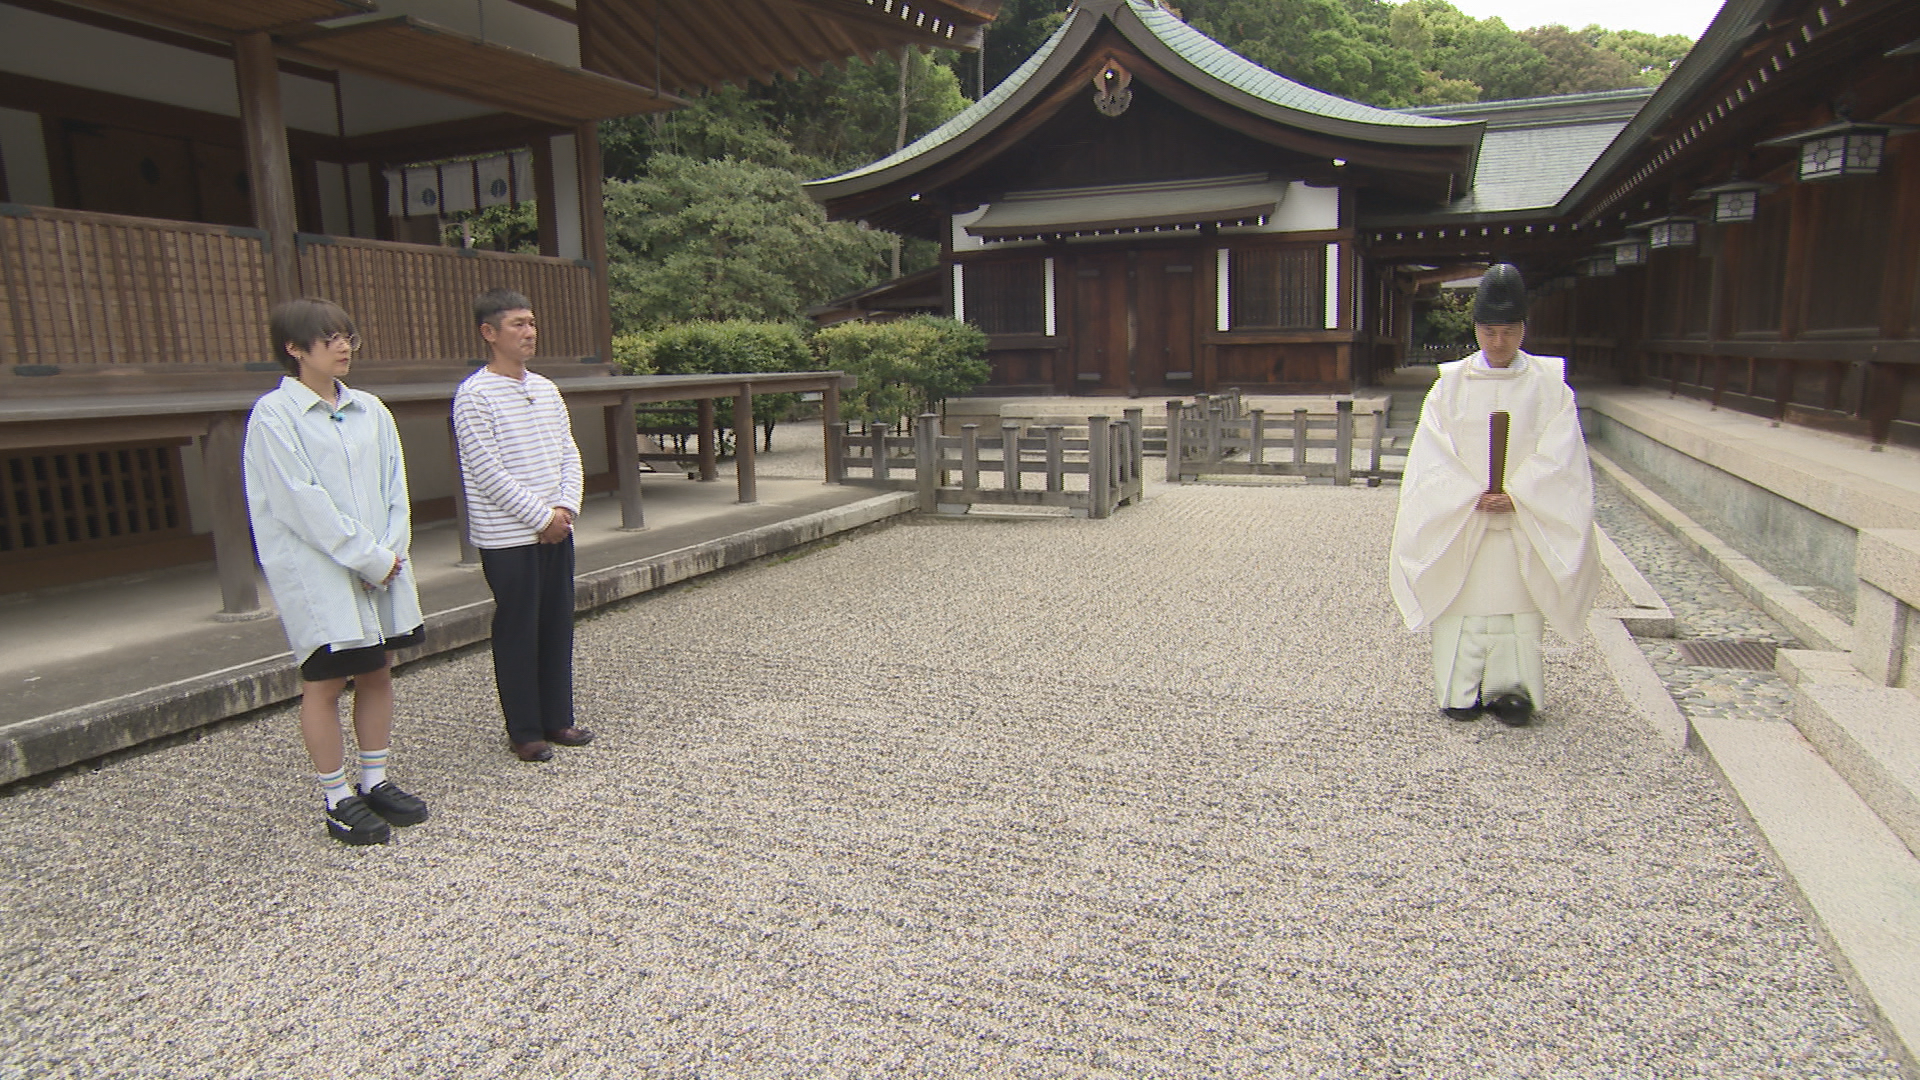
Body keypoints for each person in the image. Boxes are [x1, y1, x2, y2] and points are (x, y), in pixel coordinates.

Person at [244, 298, 429, 846]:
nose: (343, 347)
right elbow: (300, 502)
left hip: (381, 565)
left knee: (378, 669)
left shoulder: (371, 408)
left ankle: (374, 778)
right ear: (294, 348)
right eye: (329, 339)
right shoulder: (274, 415)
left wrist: (389, 554)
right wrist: (369, 558)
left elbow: (395, 488)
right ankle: (335, 795)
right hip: (320, 567)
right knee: (324, 679)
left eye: (348, 336)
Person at [1388, 264, 1599, 727]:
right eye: (1489, 331)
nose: (1499, 341)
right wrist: (1469, 495)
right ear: (1476, 330)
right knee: (1462, 609)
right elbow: (1432, 453)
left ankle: (1512, 692)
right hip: (1466, 517)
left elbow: (1561, 453)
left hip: (1523, 519)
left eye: (1508, 331)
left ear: (1524, 329)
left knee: (1515, 612)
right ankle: (1458, 692)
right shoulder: (1451, 385)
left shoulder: (1549, 384)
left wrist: (1519, 495)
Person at [452, 288, 593, 762]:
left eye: (531, 322)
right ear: (489, 333)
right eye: (518, 324)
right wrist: (541, 517)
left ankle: (558, 717)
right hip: (508, 536)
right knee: (518, 628)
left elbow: (568, 451)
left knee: (557, 622)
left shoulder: (546, 389)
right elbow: (487, 471)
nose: (529, 332)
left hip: (557, 527)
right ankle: (525, 729)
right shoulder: (474, 396)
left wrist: (565, 508)